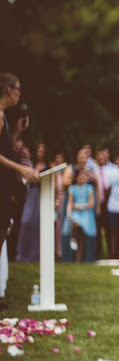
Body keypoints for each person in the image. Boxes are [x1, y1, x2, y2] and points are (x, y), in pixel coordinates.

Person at [0, 73, 37, 309]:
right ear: (7, 89)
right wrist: (21, 170)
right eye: (18, 88)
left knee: (2, 234)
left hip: (4, 185)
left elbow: (5, 149)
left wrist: (17, 132)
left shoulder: (3, 117)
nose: (20, 93)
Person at [61, 147, 99, 263]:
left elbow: (97, 186)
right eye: (80, 156)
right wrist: (74, 178)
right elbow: (64, 185)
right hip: (74, 202)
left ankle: (85, 257)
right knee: (71, 228)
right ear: (76, 157)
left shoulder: (91, 169)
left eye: (85, 156)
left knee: (87, 230)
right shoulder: (71, 168)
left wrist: (98, 206)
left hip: (88, 204)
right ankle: (70, 256)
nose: (83, 158)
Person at [16, 144, 50, 262]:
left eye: (42, 150)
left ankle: (35, 254)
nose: (40, 152)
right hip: (31, 194)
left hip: (42, 195)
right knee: (26, 222)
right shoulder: (32, 165)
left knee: (37, 224)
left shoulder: (48, 166)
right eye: (38, 150)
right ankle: (22, 253)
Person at [66, 169, 97, 264]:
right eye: (80, 177)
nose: (82, 178)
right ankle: (73, 239)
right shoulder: (72, 188)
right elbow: (70, 203)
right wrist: (69, 214)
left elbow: (92, 203)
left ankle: (78, 259)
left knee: (83, 235)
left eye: (84, 177)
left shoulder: (89, 188)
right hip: (77, 214)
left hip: (86, 213)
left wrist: (80, 206)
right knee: (76, 225)